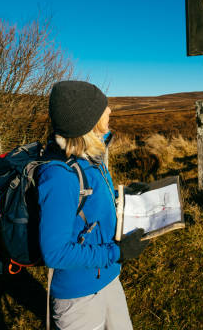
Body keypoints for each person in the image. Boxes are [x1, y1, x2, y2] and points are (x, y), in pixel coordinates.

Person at [37, 80, 148, 330]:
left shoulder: (91, 157)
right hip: (78, 298)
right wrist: (117, 252)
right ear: (85, 120)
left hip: (108, 277)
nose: (109, 111)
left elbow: (92, 207)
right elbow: (55, 252)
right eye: (103, 108)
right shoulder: (59, 176)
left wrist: (128, 197)